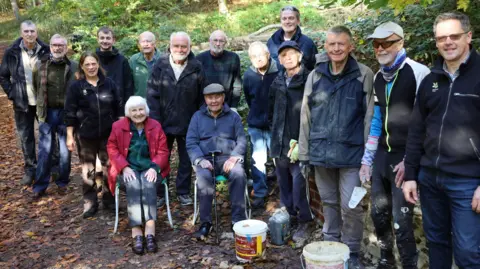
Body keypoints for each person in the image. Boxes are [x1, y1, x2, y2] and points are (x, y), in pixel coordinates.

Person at [403, 12, 480, 269]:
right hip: (430, 177)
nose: (448, 42)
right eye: (441, 38)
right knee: (436, 243)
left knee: (468, 252)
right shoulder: (430, 80)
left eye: (454, 36)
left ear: (468, 37)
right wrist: (411, 174)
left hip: (467, 182)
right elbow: (416, 131)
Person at [298, 25, 374, 269]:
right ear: (326, 47)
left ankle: (351, 252)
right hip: (321, 154)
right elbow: (305, 116)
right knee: (329, 202)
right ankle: (331, 246)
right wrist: (304, 153)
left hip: (352, 154)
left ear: (350, 46)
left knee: (351, 206)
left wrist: (367, 158)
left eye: (341, 44)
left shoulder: (363, 74)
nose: (336, 48)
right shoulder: (315, 76)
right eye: (332, 44)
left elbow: (369, 117)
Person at [358, 22, 430, 269]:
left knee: (402, 220)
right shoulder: (379, 76)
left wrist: (411, 160)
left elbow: (427, 122)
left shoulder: (419, 73)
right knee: (379, 216)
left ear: (400, 42)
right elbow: (378, 119)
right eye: (376, 44)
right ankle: (386, 262)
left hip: (405, 157)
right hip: (382, 155)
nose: (380, 49)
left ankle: (409, 265)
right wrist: (367, 160)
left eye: (386, 43)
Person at [107, 96, 170, 255]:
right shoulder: (118, 126)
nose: (138, 113)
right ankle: (136, 231)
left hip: (150, 168)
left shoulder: (155, 126)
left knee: (148, 183)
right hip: (128, 168)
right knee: (134, 184)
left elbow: (163, 151)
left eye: (141, 109)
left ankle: (150, 230)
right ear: (128, 112)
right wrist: (124, 167)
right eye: (134, 110)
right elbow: (112, 148)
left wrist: (154, 167)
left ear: (146, 110)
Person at [147, 32, 205, 206]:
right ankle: (160, 193)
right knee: (160, 158)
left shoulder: (197, 67)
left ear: (189, 47)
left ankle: (183, 192)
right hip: (163, 122)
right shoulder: (160, 65)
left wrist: (198, 120)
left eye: (183, 46)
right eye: (176, 46)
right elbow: (152, 95)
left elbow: (203, 97)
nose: (180, 49)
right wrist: (155, 123)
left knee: (186, 160)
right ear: (170, 47)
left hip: (188, 122)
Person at [65, 51, 122, 218]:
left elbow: (118, 108)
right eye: (87, 64)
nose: (91, 67)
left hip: (108, 134)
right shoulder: (76, 87)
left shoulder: (109, 84)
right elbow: (69, 112)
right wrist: (70, 135)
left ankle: (109, 200)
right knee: (88, 170)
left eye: (93, 63)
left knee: (109, 167)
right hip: (85, 135)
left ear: (98, 64)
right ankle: (90, 203)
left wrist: (120, 130)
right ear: (82, 66)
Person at [186, 83, 247, 239]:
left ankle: (238, 221)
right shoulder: (197, 117)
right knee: (204, 178)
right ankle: (206, 223)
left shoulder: (233, 116)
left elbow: (242, 140)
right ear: (205, 99)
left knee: (239, 174)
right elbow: (191, 142)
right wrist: (199, 159)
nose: (214, 101)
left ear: (223, 97)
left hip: (229, 158)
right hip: (206, 159)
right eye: (210, 98)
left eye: (217, 97)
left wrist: (234, 157)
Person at [268, 41, 314, 247]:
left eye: (291, 54)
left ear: (300, 55)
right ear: (279, 60)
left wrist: (305, 140)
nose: (288, 58)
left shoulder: (309, 79)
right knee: (284, 182)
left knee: (299, 182)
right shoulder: (277, 81)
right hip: (279, 141)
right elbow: (271, 111)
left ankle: (305, 220)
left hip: (299, 141)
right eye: (283, 55)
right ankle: (289, 217)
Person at [0, 20, 50, 186]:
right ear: (21, 33)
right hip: (22, 103)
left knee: (48, 136)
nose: (30, 34)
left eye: (32, 31)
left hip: (44, 102)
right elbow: (3, 76)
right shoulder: (12, 52)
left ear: (37, 32)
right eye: (26, 31)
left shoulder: (46, 50)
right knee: (26, 137)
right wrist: (12, 93)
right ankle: (31, 169)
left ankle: (53, 168)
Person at [31, 34, 78, 199]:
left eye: (61, 45)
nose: (57, 47)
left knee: (66, 151)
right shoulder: (40, 65)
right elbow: (36, 88)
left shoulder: (74, 66)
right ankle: (40, 185)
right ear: (50, 46)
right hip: (48, 113)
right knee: (45, 151)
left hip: (66, 114)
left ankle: (62, 182)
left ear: (66, 47)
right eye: (54, 44)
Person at [243, 41, 279, 208]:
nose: (258, 59)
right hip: (256, 124)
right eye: (254, 56)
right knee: (257, 160)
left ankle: (283, 193)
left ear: (268, 55)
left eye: (260, 55)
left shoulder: (279, 71)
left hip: (276, 124)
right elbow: (250, 98)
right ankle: (260, 193)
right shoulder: (249, 76)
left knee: (280, 159)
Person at [196, 30, 242, 110]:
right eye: (215, 40)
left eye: (221, 41)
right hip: (205, 107)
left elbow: (237, 85)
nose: (218, 44)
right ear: (209, 41)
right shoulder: (199, 59)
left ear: (225, 43)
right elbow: (196, 86)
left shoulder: (233, 58)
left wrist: (233, 106)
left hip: (226, 106)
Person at [267, 5, 317, 71]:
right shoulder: (272, 42)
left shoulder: (308, 43)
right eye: (284, 19)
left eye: (291, 18)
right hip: (275, 81)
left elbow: (315, 68)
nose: (287, 22)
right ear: (281, 21)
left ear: (298, 21)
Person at [96, 26, 134, 103]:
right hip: (97, 104)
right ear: (98, 39)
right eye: (102, 38)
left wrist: (127, 104)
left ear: (113, 40)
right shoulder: (92, 59)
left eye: (108, 38)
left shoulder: (122, 60)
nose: (105, 41)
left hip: (118, 104)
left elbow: (128, 85)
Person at [129, 31, 162, 98]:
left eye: (149, 41)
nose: (146, 44)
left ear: (155, 43)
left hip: (159, 104)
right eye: (143, 42)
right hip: (139, 104)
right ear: (139, 45)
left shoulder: (164, 59)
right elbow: (129, 84)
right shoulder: (133, 60)